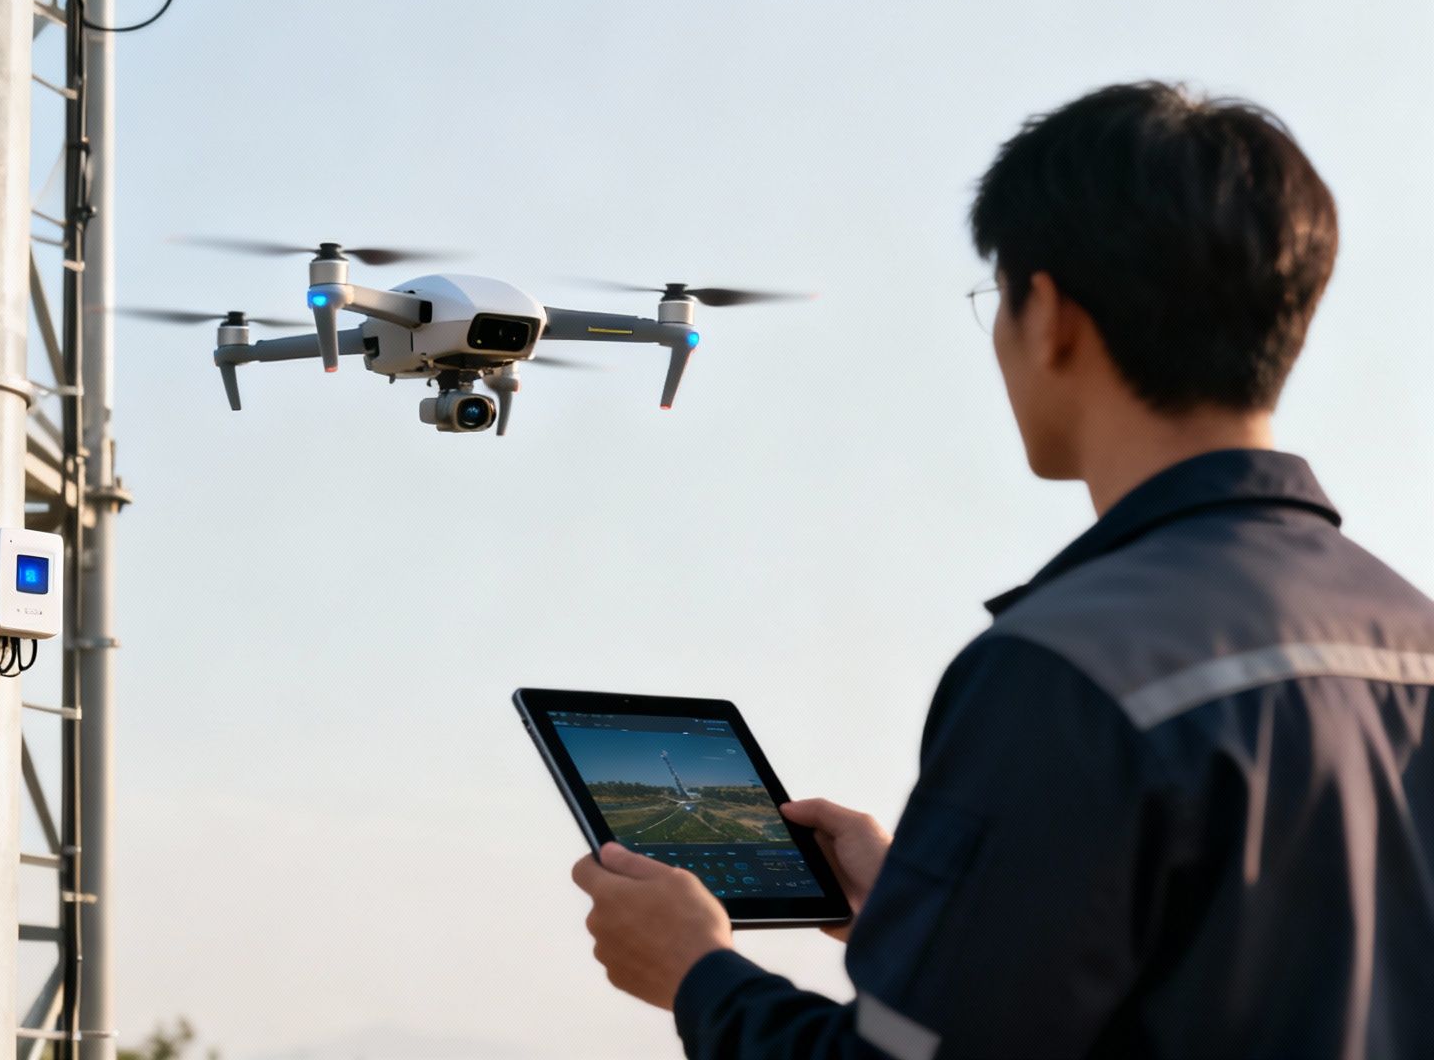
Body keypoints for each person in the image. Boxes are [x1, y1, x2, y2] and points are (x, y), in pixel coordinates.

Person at [570, 81, 1434, 1060]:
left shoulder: (1067, 669)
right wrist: (929, 908)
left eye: (997, 297)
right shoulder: (1412, 637)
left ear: (1050, 314)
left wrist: (696, 975)